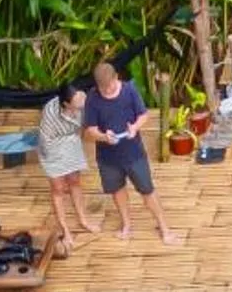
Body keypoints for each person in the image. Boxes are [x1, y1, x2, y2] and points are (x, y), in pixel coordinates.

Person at [82, 58, 182, 247]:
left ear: (116, 78)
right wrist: (103, 136)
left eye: (110, 88)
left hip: (133, 153)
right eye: (104, 90)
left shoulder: (129, 90)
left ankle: (164, 228)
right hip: (108, 158)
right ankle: (127, 224)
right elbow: (88, 131)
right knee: (117, 191)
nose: (108, 92)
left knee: (147, 190)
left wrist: (135, 127)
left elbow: (144, 115)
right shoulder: (93, 98)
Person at [35, 83, 104, 249]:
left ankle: (83, 220)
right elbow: (45, 143)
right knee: (58, 188)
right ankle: (64, 229)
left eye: (81, 95)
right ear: (66, 104)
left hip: (71, 141)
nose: (82, 100)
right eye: (77, 100)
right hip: (51, 147)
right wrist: (54, 168)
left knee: (74, 181)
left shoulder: (84, 101)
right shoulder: (50, 113)